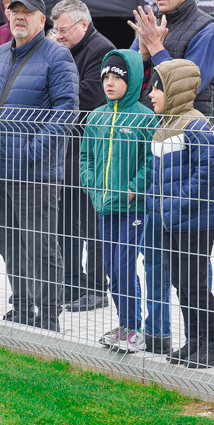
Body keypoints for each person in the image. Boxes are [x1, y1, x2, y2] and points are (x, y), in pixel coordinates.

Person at [127, 0, 214, 354]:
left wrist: (157, 49)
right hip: (157, 153)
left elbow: (188, 87)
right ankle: (158, 335)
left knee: (190, 267)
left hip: (186, 153)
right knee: (154, 257)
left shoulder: (209, 31)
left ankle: (206, 342)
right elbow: (130, 86)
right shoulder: (153, 28)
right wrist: (141, 55)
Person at [0, 0, 78, 332]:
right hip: (0, 168)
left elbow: (67, 111)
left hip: (36, 172)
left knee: (40, 244)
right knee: (9, 240)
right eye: (14, 12)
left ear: (41, 20)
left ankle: (47, 315)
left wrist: (32, 151)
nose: (18, 17)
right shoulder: (0, 54)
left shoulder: (56, 56)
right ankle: (22, 305)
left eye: (26, 13)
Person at [146, 58, 214, 368]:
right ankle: (195, 341)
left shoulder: (196, 125)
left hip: (194, 221)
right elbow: (156, 176)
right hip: (170, 220)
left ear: (175, 90)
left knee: (194, 283)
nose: (151, 93)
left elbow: (208, 173)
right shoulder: (163, 126)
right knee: (181, 282)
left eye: (157, 87)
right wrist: (156, 203)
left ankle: (213, 345)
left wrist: (175, 204)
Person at [81, 50, 158, 352]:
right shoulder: (97, 117)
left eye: (117, 78)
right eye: (106, 78)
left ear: (133, 80)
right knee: (112, 268)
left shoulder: (145, 118)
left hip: (131, 208)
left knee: (125, 264)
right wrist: (92, 185)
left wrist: (133, 189)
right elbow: (86, 156)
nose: (110, 84)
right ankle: (123, 324)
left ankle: (134, 327)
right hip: (104, 207)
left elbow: (150, 162)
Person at [51, 0, 114, 312]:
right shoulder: (66, 52)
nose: (59, 36)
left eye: (63, 30)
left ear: (83, 24)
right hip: (68, 150)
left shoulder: (101, 50)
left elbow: (88, 97)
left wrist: (54, 95)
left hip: (91, 152)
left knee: (91, 223)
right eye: (56, 30)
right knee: (66, 222)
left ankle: (96, 287)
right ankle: (72, 282)